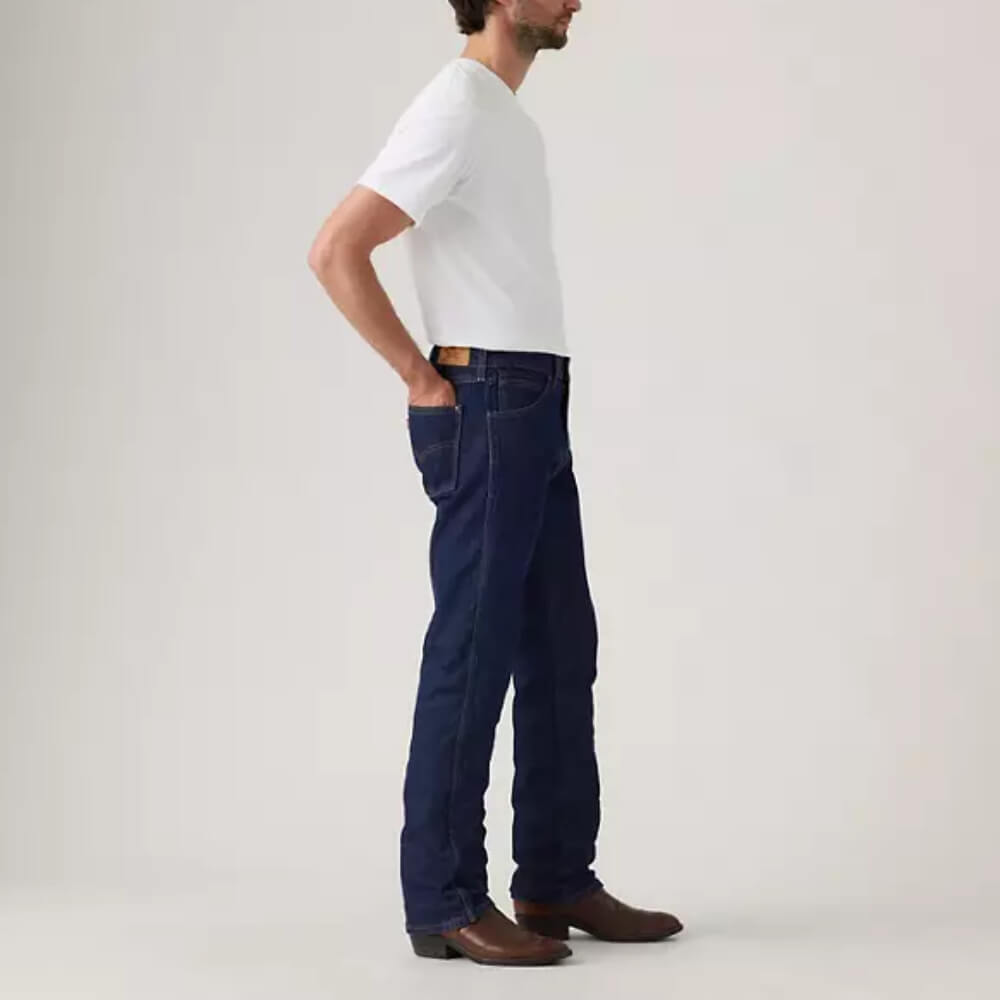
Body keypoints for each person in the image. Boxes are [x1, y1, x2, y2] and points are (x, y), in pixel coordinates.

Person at [308, 0, 683, 967]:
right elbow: (336, 248)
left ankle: (555, 877)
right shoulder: (458, 104)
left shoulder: (505, 116)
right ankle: (442, 899)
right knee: (472, 648)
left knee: (560, 644)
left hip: (535, 395)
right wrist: (420, 378)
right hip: (486, 398)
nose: (577, 0)